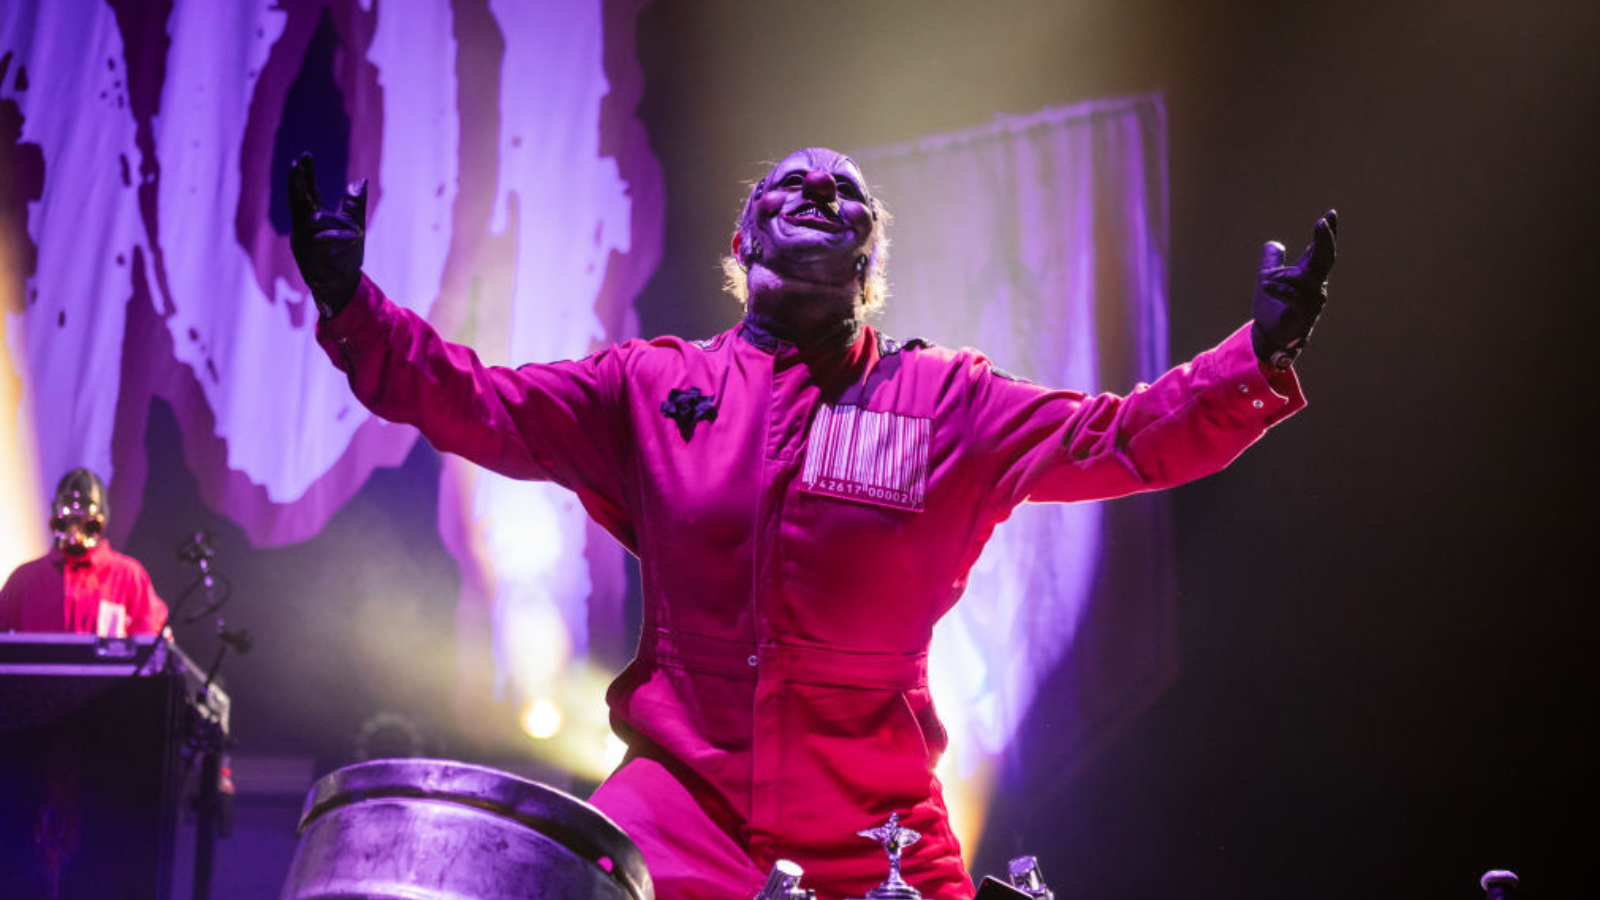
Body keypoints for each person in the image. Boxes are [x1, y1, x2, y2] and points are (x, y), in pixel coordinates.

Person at [287, 147, 1336, 900]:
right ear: (745, 237)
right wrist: (352, 305)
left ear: (868, 261)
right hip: (675, 817)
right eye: (793, 180)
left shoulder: (944, 403)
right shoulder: (650, 389)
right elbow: (478, 403)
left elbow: (1121, 439)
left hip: (876, 837)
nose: (823, 188)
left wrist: (1257, 355)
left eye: (848, 190)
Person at [0, 468, 169, 637]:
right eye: (69, 520)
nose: (75, 529)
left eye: (85, 521)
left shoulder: (128, 576)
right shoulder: (25, 579)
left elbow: (153, 640)